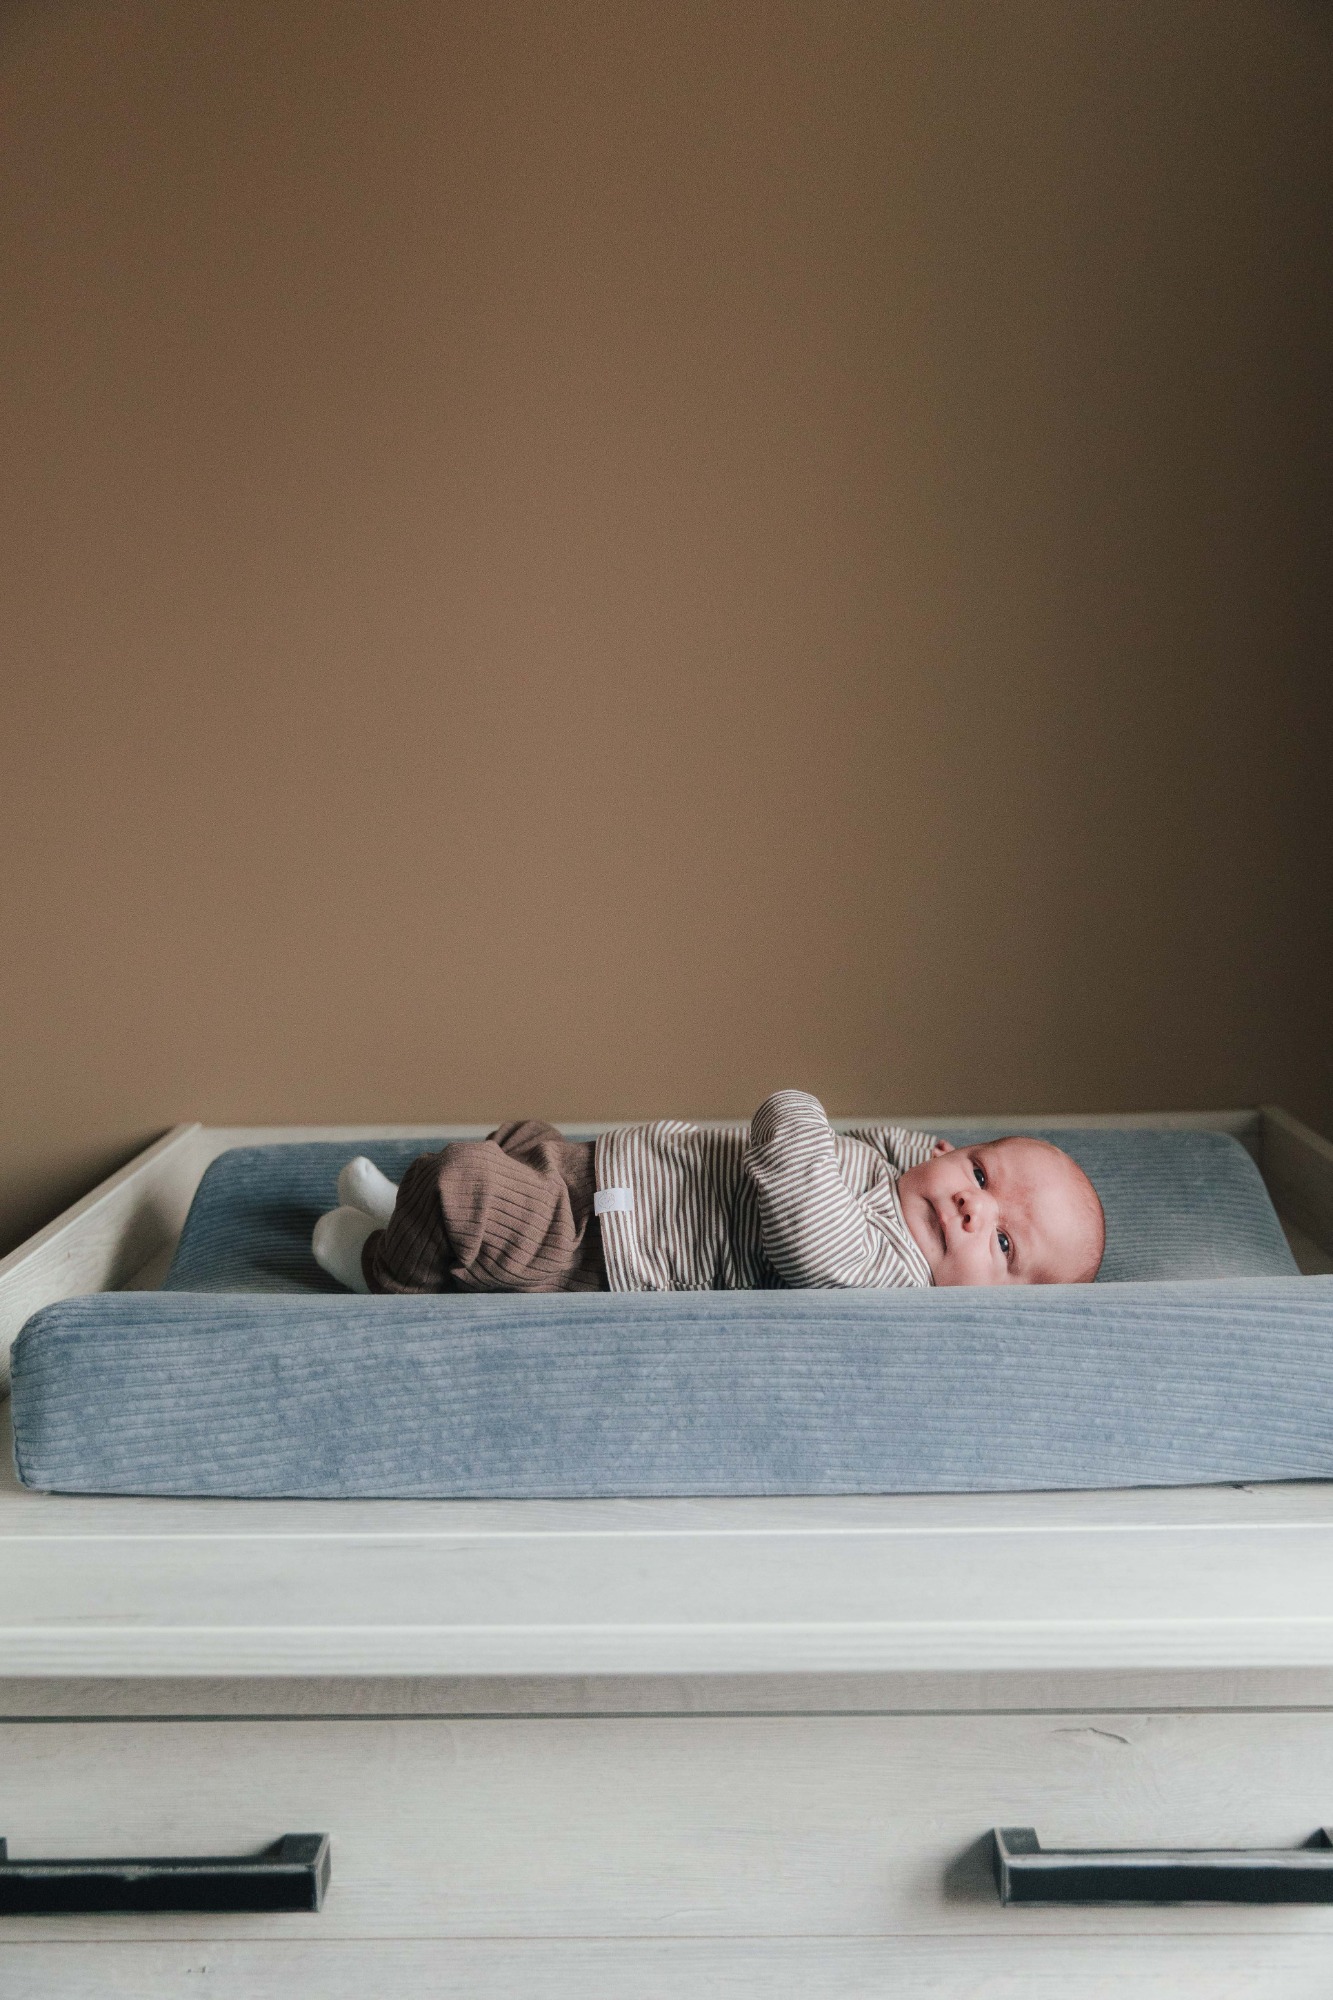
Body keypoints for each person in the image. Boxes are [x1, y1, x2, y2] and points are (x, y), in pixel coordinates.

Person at [312, 1090, 1104, 1295]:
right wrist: (919, 1159)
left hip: (599, 1248)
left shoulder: (880, 1270)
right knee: (520, 1139)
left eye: (1003, 1242)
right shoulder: (889, 1174)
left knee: (460, 1181)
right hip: (603, 1174)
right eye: (980, 1175)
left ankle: (387, 1271)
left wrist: (797, 1106)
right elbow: (902, 1152)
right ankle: (415, 1222)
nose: (972, 1207)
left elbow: (800, 1206)